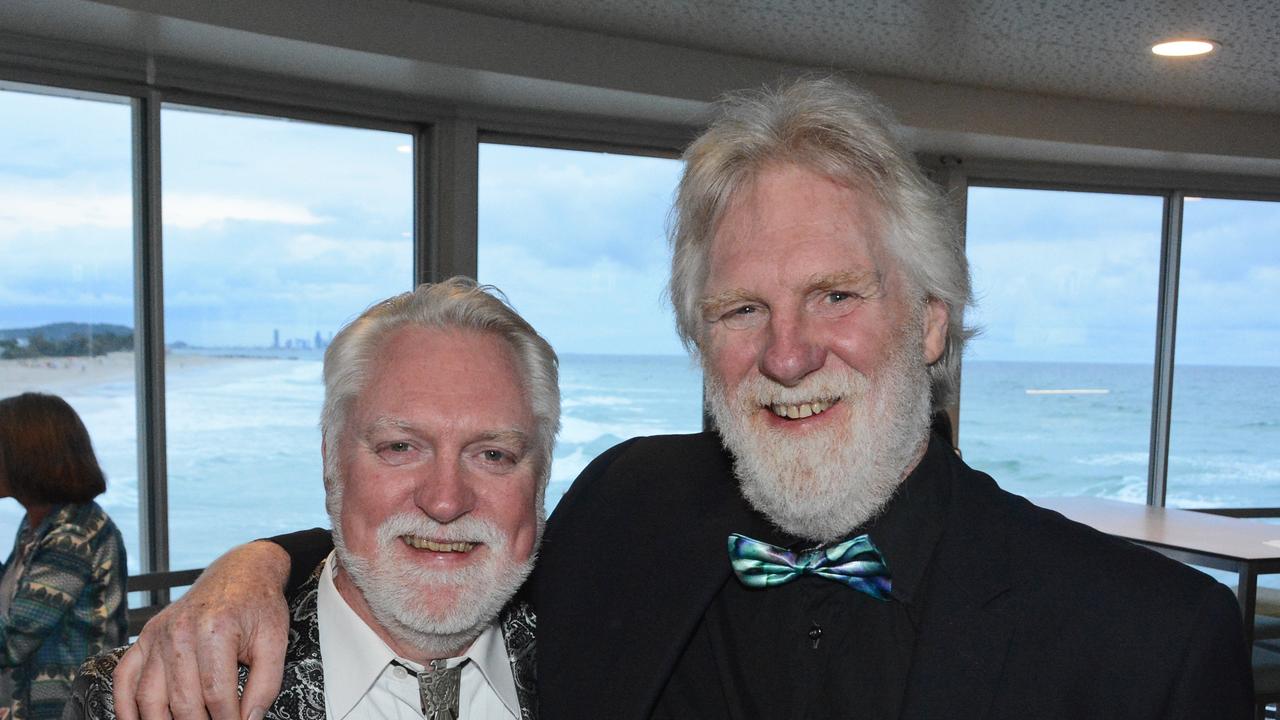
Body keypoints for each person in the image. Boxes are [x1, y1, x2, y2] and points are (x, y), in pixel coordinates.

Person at [111, 77, 1252, 719]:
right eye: (738, 310)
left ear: (931, 318)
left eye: (835, 294)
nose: (788, 354)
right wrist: (248, 569)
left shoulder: (1145, 648)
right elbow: (437, 532)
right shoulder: (632, 509)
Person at [66, 279, 556, 720]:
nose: (445, 501)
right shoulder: (151, 698)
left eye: (493, 454)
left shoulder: (603, 668)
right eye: (400, 447)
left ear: (543, 475)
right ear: (330, 460)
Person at [0, 392, 127, 720]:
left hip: (64, 710)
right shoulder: (40, 524)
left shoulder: (71, 537)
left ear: (26, 456)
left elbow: (13, 642)